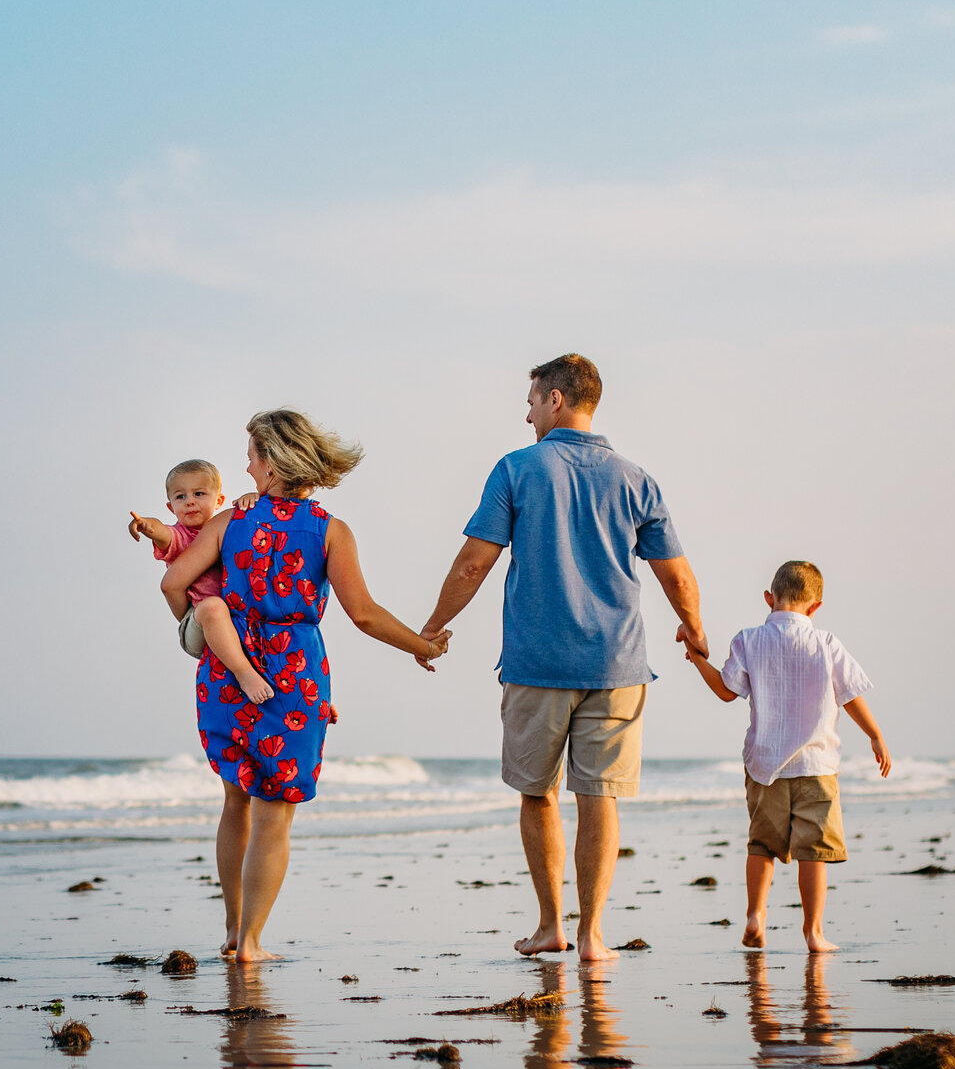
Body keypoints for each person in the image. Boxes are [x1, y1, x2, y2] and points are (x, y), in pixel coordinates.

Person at [418, 353, 705, 964]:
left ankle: (551, 924)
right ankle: (593, 934)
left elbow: (475, 561)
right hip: (617, 663)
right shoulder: (636, 478)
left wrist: (434, 627)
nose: (525, 416)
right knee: (599, 796)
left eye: (529, 402)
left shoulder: (518, 469)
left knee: (537, 793)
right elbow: (676, 574)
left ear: (555, 398)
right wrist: (694, 628)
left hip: (537, 663)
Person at [163, 409, 450, 963]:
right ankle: (250, 942)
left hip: (229, 668)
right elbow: (363, 614)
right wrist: (423, 645)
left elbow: (174, 580)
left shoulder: (227, 524)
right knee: (276, 809)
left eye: (250, 456)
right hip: (295, 674)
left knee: (235, 800)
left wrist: (197, 634)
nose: (245, 467)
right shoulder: (329, 531)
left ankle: (229, 929)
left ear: (271, 463)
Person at [684, 559, 891, 953]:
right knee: (813, 851)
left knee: (761, 845)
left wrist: (697, 660)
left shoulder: (748, 639)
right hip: (817, 766)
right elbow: (850, 696)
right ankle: (813, 932)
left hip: (764, 767)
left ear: (769, 598)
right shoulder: (827, 643)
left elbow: (726, 692)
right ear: (815, 608)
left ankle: (755, 915)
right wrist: (875, 735)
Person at [129, 460, 274, 705]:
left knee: (274, 630)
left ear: (219, 500)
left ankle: (314, 703)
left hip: (234, 623)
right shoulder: (180, 536)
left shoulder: (228, 528)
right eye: (180, 496)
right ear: (170, 506)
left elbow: (254, 522)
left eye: (199, 493)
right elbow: (161, 532)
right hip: (199, 623)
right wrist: (147, 526)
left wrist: (252, 497)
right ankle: (244, 673)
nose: (190, 501)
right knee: (213, 607)